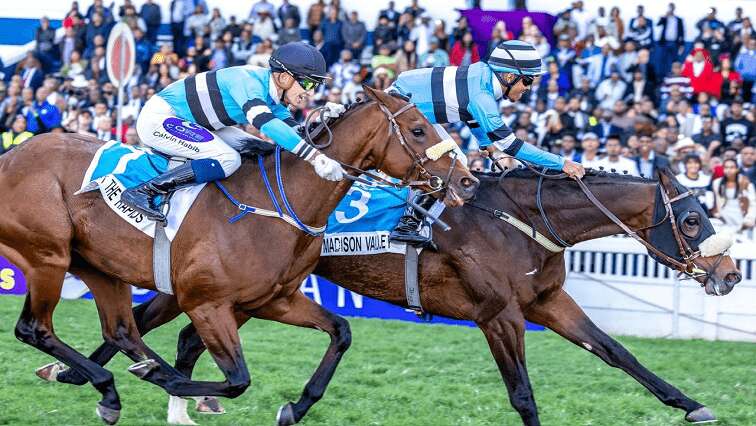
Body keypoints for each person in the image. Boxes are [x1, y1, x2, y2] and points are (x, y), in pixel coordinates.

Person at [120, 42, 346, 223]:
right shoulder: (248, 82)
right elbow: (265, 123)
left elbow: (295, 133)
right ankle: (144, 192)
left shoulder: (274, 95)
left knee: (262, 148)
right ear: (284, 77)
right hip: (162, 119)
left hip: (198, 122)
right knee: (228, 159)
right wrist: (315, 157)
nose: (311, 93)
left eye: (315, 87)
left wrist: (328, 121)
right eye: (308, 84)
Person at [387, 40, 585, 245]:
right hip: (400, 113)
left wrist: (484, 142)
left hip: (404, 107)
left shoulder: (482, 76)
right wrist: (562, 163)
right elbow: (511, 146)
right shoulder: (482, 95)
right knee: (454, 162)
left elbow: (468, 113)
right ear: (509, 76)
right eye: (527, 81)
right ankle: (408, 225)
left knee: (455, 159)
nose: (528, 88)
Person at [708, 158, 756, 232]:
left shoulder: (746, 182)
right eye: (726, 167)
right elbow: (717, 201)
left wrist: (749, 220)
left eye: (732, 167)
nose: (729, 170)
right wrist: (718, 215)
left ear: (737, 169)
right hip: (724, 219)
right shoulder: (717, 183)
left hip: (742, 218)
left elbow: (753, 204)